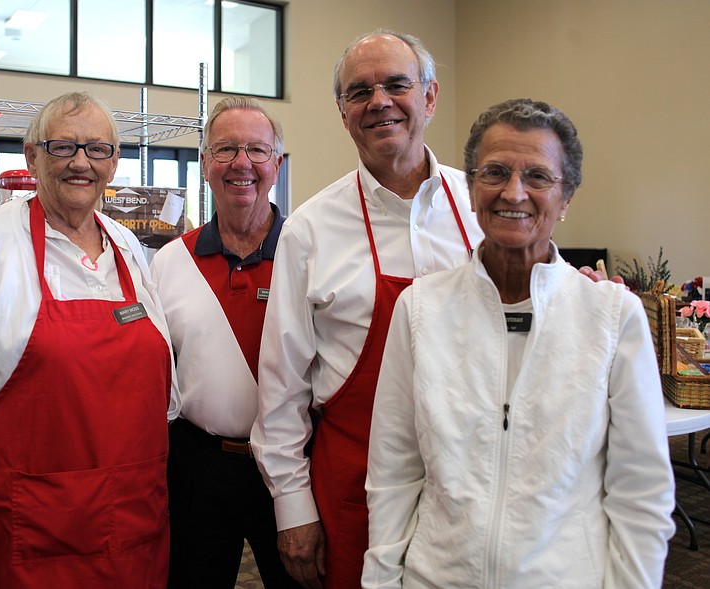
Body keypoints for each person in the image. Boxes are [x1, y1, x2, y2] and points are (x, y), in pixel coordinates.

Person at [362, 98, 675, 588]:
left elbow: (641, 494)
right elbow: (394, 473)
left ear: (566, 196)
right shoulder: (420, 310)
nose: (514, 192)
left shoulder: (612, 318)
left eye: (538, 177)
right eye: (494, 172)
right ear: (469, 188)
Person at [0, 91, 180, 589]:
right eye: (63, 147)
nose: (82, 163)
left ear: (114, 163)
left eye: (98, 150)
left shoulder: (128, 248)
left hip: (134, 525)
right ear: (32, 156)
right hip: (30, 532)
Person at [250, 30, 483, 589]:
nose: (379, 101)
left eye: (396, 84)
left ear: (429, 97)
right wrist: (293, 510)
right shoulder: (309, 229)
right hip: (356, 480)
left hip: (476, 474)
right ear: (342, 111)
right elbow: (281, 387)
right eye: (360, 91)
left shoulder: (484, 204)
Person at [150, 96, 299, 589]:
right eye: (226, 149)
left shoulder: (309, 253)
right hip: (198, 467)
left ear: (276, 164)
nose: (242, 163)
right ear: (205, 164)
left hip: (293, 469)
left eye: (257, 150)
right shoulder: (170, 261)